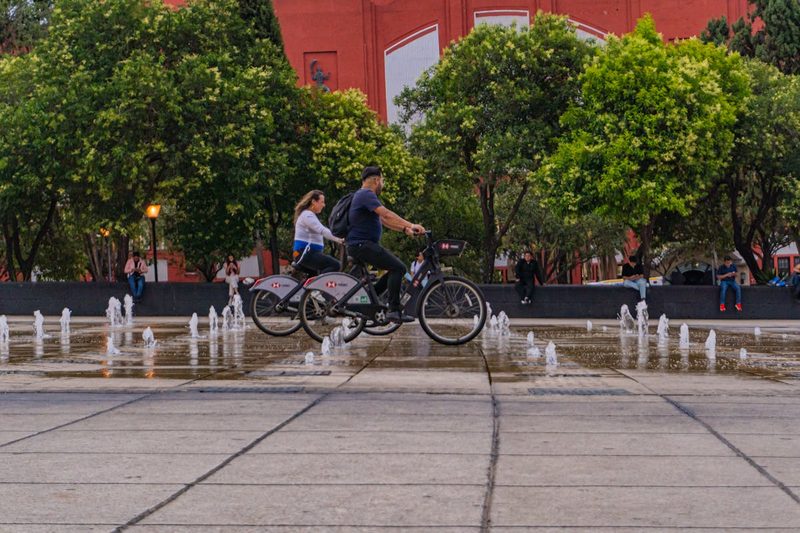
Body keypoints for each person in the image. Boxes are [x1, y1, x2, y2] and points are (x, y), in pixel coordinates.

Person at [346, 166, 426, 323]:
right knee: (399, 268)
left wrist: (405, 228)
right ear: (376, 180)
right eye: (382, 180)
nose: (382, 183)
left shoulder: (364, 196)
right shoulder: (366, 194)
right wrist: (412, 224)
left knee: (394, 268)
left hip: (362, 246)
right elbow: (387, 214)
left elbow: (384, 220)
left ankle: (370, 298)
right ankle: (394, 310)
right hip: (363, 245)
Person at [293, 189, 344, 275]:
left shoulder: (309, 215)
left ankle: (312, 288)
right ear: (313, 201)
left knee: (314, 278)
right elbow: (322, 230)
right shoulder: (307, 215)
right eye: (322, 202)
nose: (324, 205)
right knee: (335, 265)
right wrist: (340, 239)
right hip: (305, 253)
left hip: (306, 253)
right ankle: (321, 286)